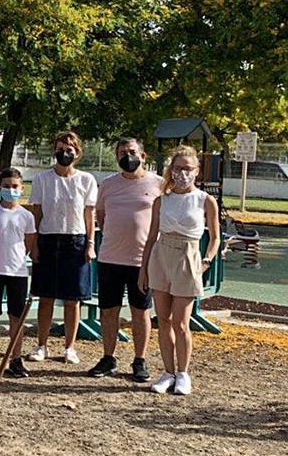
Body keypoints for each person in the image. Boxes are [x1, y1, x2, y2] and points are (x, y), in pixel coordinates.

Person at [140, 145, 220, 396]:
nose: (182, 174)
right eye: (177, 168)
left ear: (196, 171)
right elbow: (152, 236)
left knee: (181, 322)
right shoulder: (161, 200)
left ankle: (183, 373)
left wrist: (206, 260)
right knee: (162, 320)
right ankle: (168, 371)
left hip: (188, 255)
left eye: (187, 169)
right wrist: (143, 270)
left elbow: (215, 237)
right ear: (170, 170)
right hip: (162, 255)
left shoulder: (206, 200)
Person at [89, 138, 162, 382]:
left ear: (143, 155)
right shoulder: (108, 184)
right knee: (108, 311)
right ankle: (108, 357)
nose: (126, 156)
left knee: (140, 312)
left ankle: (139, 360)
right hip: (110, 257)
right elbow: (100, 213)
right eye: (121, 152)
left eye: (131, 152)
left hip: (142, 259)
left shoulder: (158, 183)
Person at [27, 131, 98, 366]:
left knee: (72, 299)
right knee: (45, 297)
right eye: (60, 149)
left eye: (69, 150)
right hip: (48, 239)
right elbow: (37, 212)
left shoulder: (85, 180)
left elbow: (89, 213)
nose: (64, 153)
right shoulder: (42, 179)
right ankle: (42, 345)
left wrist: (90, 244)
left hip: (75, 241)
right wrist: (34, 243)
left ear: (77, 153)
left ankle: (70, 347)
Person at [0, 168, 37, 378]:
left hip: (18, 273)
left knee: (16, 317)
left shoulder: (26, 216)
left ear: (21, 189)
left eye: (14, 187)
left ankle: (15, 358)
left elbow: (28, 244)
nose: (10, 190)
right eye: (6, 186)